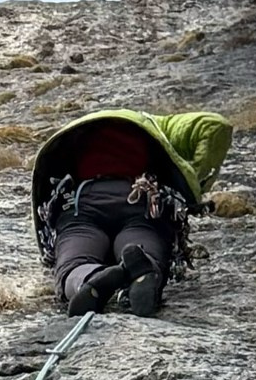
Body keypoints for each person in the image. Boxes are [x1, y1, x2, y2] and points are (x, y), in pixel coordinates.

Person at [31, 104, 233, 319]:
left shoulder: (75, 132)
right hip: (141, 202)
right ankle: (144, 270)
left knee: (74, 262)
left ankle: (90, 277)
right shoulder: (159, 125)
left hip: (82, 205)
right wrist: (195, 182)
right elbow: (216, 125)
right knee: (144, 247)